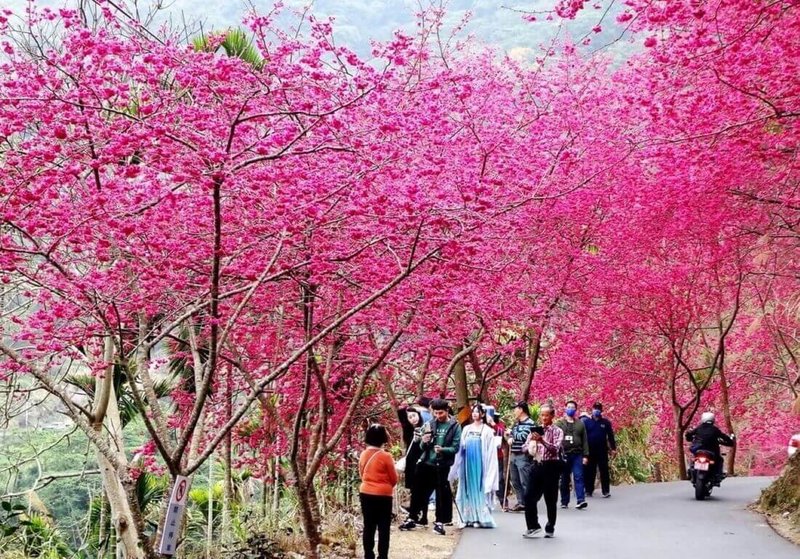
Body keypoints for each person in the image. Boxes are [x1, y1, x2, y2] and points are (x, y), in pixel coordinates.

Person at [399, 398, 461, 535]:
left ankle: (439, 522)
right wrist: (424, 442)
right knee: (417, 491)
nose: (438, 416)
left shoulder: (455, 426)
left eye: (440, 413)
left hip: (442, 464)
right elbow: (421, 446)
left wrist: (443, 450)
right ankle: (413, 517)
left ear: (446, 411)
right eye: (435, 413)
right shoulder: (430, 423)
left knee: (439, 493)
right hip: (426, 462)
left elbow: (455, 448)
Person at [450, 404, 499, 528]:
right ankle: (468, 517)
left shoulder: (487, 430)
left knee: (479, 488)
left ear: (482, 414)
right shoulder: (466, 429)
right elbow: (461, 445)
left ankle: (480, 517)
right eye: (473, 412)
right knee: (467, 489)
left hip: (480, 463)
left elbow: (490, 450)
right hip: (467, 462)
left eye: (477, 412)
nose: (475, 414)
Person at [522, 403, 564, 539]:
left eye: (547, 415)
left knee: (550, 499)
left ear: (552, 415)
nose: (544, 418)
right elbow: (524, 448)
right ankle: (533, 526)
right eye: (542, 415)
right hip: (536, 465)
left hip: (551, 466)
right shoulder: (534, 430)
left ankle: (550, 525)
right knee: (528, 496)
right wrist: (531, 445)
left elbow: (556, 449)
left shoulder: (557, 431)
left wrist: (543, 441)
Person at [359, 424, 398, 559]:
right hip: (383, 495)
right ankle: (383, 556)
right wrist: (385, 486)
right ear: (383, 439)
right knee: (383, 527)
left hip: (366, 493)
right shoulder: (386, 456)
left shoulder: (363, 454)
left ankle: (368, 554)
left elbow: (361, 474)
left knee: (368, 525)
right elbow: (394, 478)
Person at [556, 400, 589, 509]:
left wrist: (585, 455)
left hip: (577, 454)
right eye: (568, 407)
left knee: (579, 476)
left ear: (575, 410)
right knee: (565, 478)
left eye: (572, 407)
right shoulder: (560, 423)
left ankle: (581, 500)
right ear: (565, 408)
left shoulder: (580, 424)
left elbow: (585, 440)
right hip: (564, 454)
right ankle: (564, 501)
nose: (570, 409)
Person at [685, 412, 735, 481]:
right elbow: (725, 437)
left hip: (698, 449)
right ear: (712, 420)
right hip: (712, 450)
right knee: (720, 459)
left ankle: (690, 472)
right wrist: (729, 441)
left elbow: (689, 435)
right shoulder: (715, 429)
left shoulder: (699, 428)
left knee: (693, 459)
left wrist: (689, 437)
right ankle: (718, 475)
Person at [397, 405, 427, 521]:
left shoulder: (424, 427)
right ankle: (415, 513)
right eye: (410, 417)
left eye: (414, 415)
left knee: (421, 489)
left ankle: (419, 514)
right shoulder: (408, 430)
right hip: (411, 462)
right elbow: (400, 414)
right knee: (413, 489)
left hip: (421, 462)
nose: (413, 419)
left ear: (419, 415)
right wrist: (405, 406)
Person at [506, 401, 537, 511]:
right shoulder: (516, 423)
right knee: (515, 480)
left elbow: (525, 436)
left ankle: (529, 502)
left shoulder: (531, 423)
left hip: (523, 455)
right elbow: (511, 434)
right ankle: (521, 502)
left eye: (516, 409)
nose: (514, 411)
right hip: (513, 454)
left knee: (525, 480)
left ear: (521, 410)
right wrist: (510, 436)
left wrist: (513, 434)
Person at [582, 402, 617, 497]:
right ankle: (589, 490)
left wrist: (613, 448)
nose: (596, 410)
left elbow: (610, 436)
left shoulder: (606, 423)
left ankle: (605, 491)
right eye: (595, 408)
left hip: (602, 451)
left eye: (598, 408)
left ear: (601, 411)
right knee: (590, 471)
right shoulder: (586, 422)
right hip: (590, 451)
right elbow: (583, 437)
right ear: (592, 410)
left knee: (604, 470)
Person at [486, 407, 508, 506]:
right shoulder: (482, 426)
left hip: (497, 455)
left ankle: (503, 500)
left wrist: (493, 424)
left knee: (499, 478)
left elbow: (502, 433)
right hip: (485, 456)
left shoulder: (499, 425)